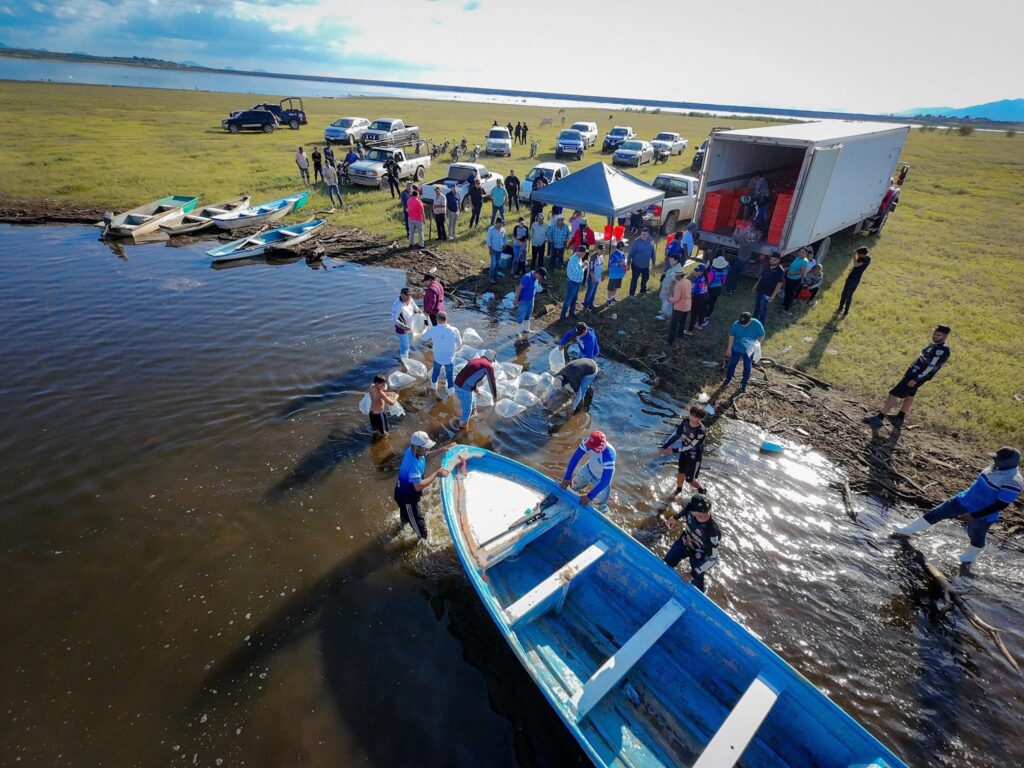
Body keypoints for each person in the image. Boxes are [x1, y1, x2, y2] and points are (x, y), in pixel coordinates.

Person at [895, 447, 1022, 565]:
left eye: (998, 459)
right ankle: (907, 530)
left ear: (1010, 462)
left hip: (981, 515)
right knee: (935, 513)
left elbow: (1001, 505)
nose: (995, 460)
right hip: (962, 500)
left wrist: (973, 515)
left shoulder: (1013, 481)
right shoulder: (995, 467)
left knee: (976, 536)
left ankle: (970, 557)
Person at [864, 325, 951, 428]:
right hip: (914, 373)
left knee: (893, 393)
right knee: (910, 395)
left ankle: (880, 418)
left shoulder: (942, 350)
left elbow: (931, 367)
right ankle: (900, 418)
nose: (935, 336)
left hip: (916, 376)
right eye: (934, 333)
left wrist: (916, 379)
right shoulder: (934, 344)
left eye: (938, 335)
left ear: (945, 336)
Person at [394, 431, 449, 540]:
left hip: (400, 492)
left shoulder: (412, 451)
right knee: (421, 528)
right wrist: (436, 473)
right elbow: (418, 486)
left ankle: (401, 527)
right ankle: (422, 543)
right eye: (426, 447)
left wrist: (442, 449)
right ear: (418, 448)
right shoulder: (414, 464)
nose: (428, 449)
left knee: (405, 517)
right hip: (407, 499)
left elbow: (426, 456)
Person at [661, 492, 720, 593]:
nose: (689, 508)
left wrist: (693, 574)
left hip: (699, 554)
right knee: (666, 564)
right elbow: (686, 509)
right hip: (685, 541)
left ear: (701, 513)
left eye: (692, 508)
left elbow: (712, 558)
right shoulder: (692, 509)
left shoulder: (712, 531)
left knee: (696, 584)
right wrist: (675, 517)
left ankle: (701, 594)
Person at [560, 430, 616, 511]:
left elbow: (605, 481)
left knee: (599, 505)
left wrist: (590, 497)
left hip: (601, 479)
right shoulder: (587, 442)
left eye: (591, 447)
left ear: (599, 447)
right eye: (589, 445)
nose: (588, 447)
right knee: (572, 488)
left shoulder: (609, 456)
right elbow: (574, 459)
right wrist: (567, 477)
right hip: (588, 469)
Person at [659, 405, 707, 494]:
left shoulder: (701, 431)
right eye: (691, 414)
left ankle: (701, 490)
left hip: (694, 457)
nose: (692, 417)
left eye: (695, 416)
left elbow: (691, 446)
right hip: (684, 454)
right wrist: (664, 446)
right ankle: (678, 490)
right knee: (680, 473)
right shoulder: (685, 422)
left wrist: (673, 450)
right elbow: (677, 435)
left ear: (699, 418)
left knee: (690, 480)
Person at [453, 351, 498, 429]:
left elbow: (470, 376)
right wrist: (495, 397)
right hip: (464, 388)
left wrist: (475, 390)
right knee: (467, 409)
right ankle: (462, 427)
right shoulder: (488, 366)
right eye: (493, 360)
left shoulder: (475, 360)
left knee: (474, 401)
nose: (492, 363)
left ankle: (472, 416)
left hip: (457, 383)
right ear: (491, 359)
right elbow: (492, 382)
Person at [420, 311, 462, 394]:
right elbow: (460, 343)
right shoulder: (454, 330)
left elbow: (423, 338)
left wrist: (425, 329)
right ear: (447, 319)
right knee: (449, 377)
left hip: (438, 358)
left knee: (435, 374)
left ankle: (433, 389)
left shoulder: (433, 330)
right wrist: (454, 350)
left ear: (437, 319)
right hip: (449, 359)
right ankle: (450, 394)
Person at [723, 311, 765, 389]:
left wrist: (757, 345)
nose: (742, 324)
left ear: (750, 320)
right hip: (736, 348)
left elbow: (762, 335)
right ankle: (728, 378)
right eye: (741, 322)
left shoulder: (756, 324)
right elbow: (731, 336)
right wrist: (729, 349)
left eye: (745, 323)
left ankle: (744, 383)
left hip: (749, 350)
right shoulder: (736, 324)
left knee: (747, 366)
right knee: (732, 363)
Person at [752, 252, 784, 325]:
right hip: (760, 289)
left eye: (774, 260)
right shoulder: (768, 265)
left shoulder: (780, 271)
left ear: (778, 260)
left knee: (763, 309)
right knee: (757, 306)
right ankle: (754, 319)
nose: (772, 261)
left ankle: (760, 324)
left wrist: (773, 295)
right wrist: (755, 285)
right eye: (771, 259)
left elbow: (779, 284)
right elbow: (761, 276)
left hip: (768, 292)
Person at [838, 246, 871, 317]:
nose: (858, 255)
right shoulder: (861, 257)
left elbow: (856, 265)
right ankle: (840, 308)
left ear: (862, 254)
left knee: (849, 295)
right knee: (844, 293)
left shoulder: (867, 259)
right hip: (850, 277)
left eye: (859, 254)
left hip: (855, 280)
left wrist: (854, 256)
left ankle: (846, 311)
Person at [666, 261, 692, 344]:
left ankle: (670, 341)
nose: (675, 277)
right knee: (683, 322)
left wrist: (669, 299)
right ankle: (680, 335)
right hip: (687, 305)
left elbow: (676, 299)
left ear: (679, 276)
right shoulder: (688, 281)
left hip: (680, 306)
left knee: (674, 324)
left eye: (676, 276)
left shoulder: (679, 284)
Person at [514, 267, 546, 334]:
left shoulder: (536, 279)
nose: (540, 278)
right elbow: (519, 288)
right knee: (521, 316)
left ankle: (526, 329)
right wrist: (516, 299)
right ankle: (517, 332)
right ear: (537, 274)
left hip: (531, 300)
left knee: (528, 315)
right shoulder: (527, 277)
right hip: (523, 301)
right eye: (541, 277)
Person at [391, 286, 420, 358]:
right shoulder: (397, 305)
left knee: (409, 343)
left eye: (410, 295)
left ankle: (406, 354)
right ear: (401, 294)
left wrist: (417, 310)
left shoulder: (410, 300)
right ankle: (404, 360)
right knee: (405, 346)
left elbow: (416, 307)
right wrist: (403, 327)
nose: (409, 297)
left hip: (411, 326)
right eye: (407, 295)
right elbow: (394, 320)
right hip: (402, 329)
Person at [628, 229, 656, 296]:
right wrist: (628, 263)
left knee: (645, 279)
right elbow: (630, 253)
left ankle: (642, 291)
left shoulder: (651, 240)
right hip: (636, 265)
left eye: (645, 234)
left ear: (648, 234)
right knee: (634, 279)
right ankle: (631, 294)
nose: (643, 236)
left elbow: (652, 252)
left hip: (646, 265)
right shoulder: (636, 241)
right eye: (642, 234)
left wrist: (653, 263)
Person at [561, 246, 586, 320]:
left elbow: (578, 268)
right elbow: (577, 271)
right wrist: (584, 267)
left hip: (577, 282)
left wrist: (582, 265)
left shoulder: (579, 258)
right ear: (581, 252)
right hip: (572, 282)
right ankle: (562, 317)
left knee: (574, 299)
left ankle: (571, 313)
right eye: (584, 253)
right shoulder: (573, 260)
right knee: (568, 300)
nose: (584, 254)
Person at [688, 264, 711, 332]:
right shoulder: (705, 277)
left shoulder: (697, 281)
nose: (695, 272)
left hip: (699, 298)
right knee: (702, 311)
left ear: (701, 272)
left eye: (697, 271)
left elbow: (694, 291)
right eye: (695, 270)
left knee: (694, 314)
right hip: (706, 295)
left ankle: (689, 331)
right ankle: (699, 325)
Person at [582, 243, 605, 311]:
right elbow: (591, 269)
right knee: (590, 292)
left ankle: (591, 304)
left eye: (603, 250)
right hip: (592, 278)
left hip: (597, 278)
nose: (602, 251)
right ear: (598, 249)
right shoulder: (593, 257)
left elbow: (601, 266)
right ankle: (585, 306)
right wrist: (593, 278)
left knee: (594, 292)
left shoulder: (601, 256)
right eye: (601, 250)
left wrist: (602, 275)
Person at [707, 252, 729, 317]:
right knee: (713, 302)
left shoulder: (712, 272)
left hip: (711, 288)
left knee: (706, 301)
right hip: (718, 289)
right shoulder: (724, 272)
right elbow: (723, 282)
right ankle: (708, 315)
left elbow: (709, 281)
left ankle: (703, 313)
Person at [486, 218, 506, 283]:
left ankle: (495, 276)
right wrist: (490, 248)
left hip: (500, 250)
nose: (501, 224)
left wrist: (504, 245)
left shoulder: (503, 229)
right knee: (493, 264)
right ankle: (490, 277)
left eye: (502, 223)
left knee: (498, 264)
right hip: (493, 250)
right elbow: (488, 240)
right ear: (497, 222)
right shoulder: (491, 230)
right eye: (500, 223)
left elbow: (505, 238)